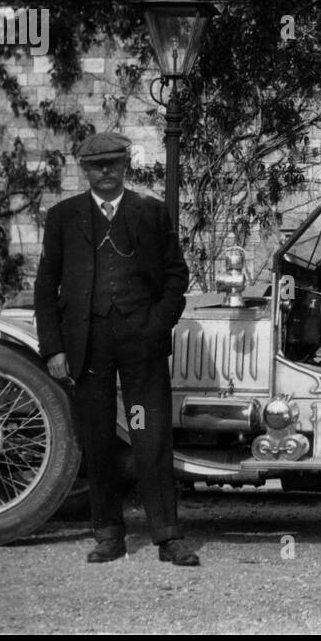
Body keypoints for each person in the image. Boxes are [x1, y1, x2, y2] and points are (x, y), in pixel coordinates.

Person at [33, 131, 198, 566]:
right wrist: (53, 347)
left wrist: (156, 325)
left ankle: (167, 536)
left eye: (113, 163)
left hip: (139, 345)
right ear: (84, 170)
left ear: (126, 165)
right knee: (98, 439)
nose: (105, 171)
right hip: (87, 348)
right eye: (96, 165)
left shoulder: (151, 212)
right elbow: (46, 285)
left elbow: (176, 276)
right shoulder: (63, 217)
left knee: (151, 436)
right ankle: (108, 534)